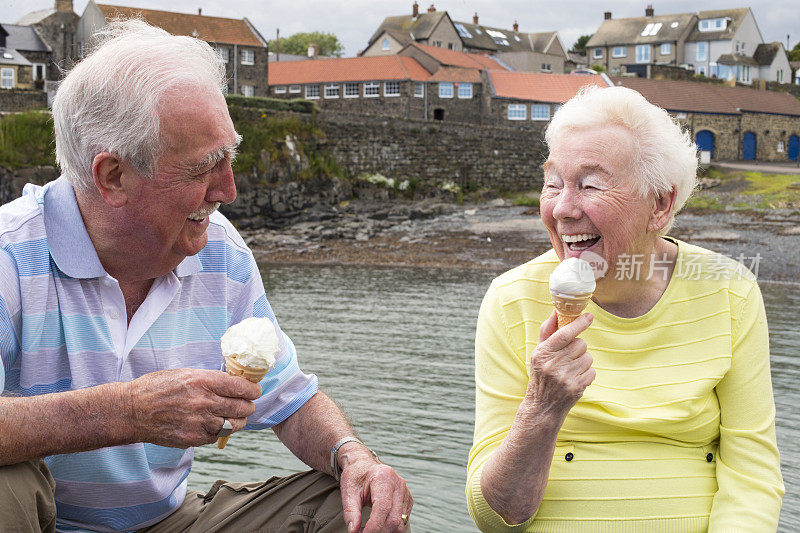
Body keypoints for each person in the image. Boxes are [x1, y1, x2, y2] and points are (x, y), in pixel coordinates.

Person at [0, 19, 412, 533]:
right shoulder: (10, 258)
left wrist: (355, 458)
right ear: (113, 176)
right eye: (203, 168)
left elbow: (290, 398)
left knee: (360, 507)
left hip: (170, 522)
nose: (229, 189)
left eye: (230, 159)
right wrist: (126, 410)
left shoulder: (220, 250)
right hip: (42, 521)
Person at [466, 86, 784, 532]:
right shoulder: (511, 299)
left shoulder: (731, 290)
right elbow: (494, 518)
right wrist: (541, 410)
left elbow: (752, 475)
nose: (562, 208)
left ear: (660, 204)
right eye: (553, 183)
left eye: (590, 185)